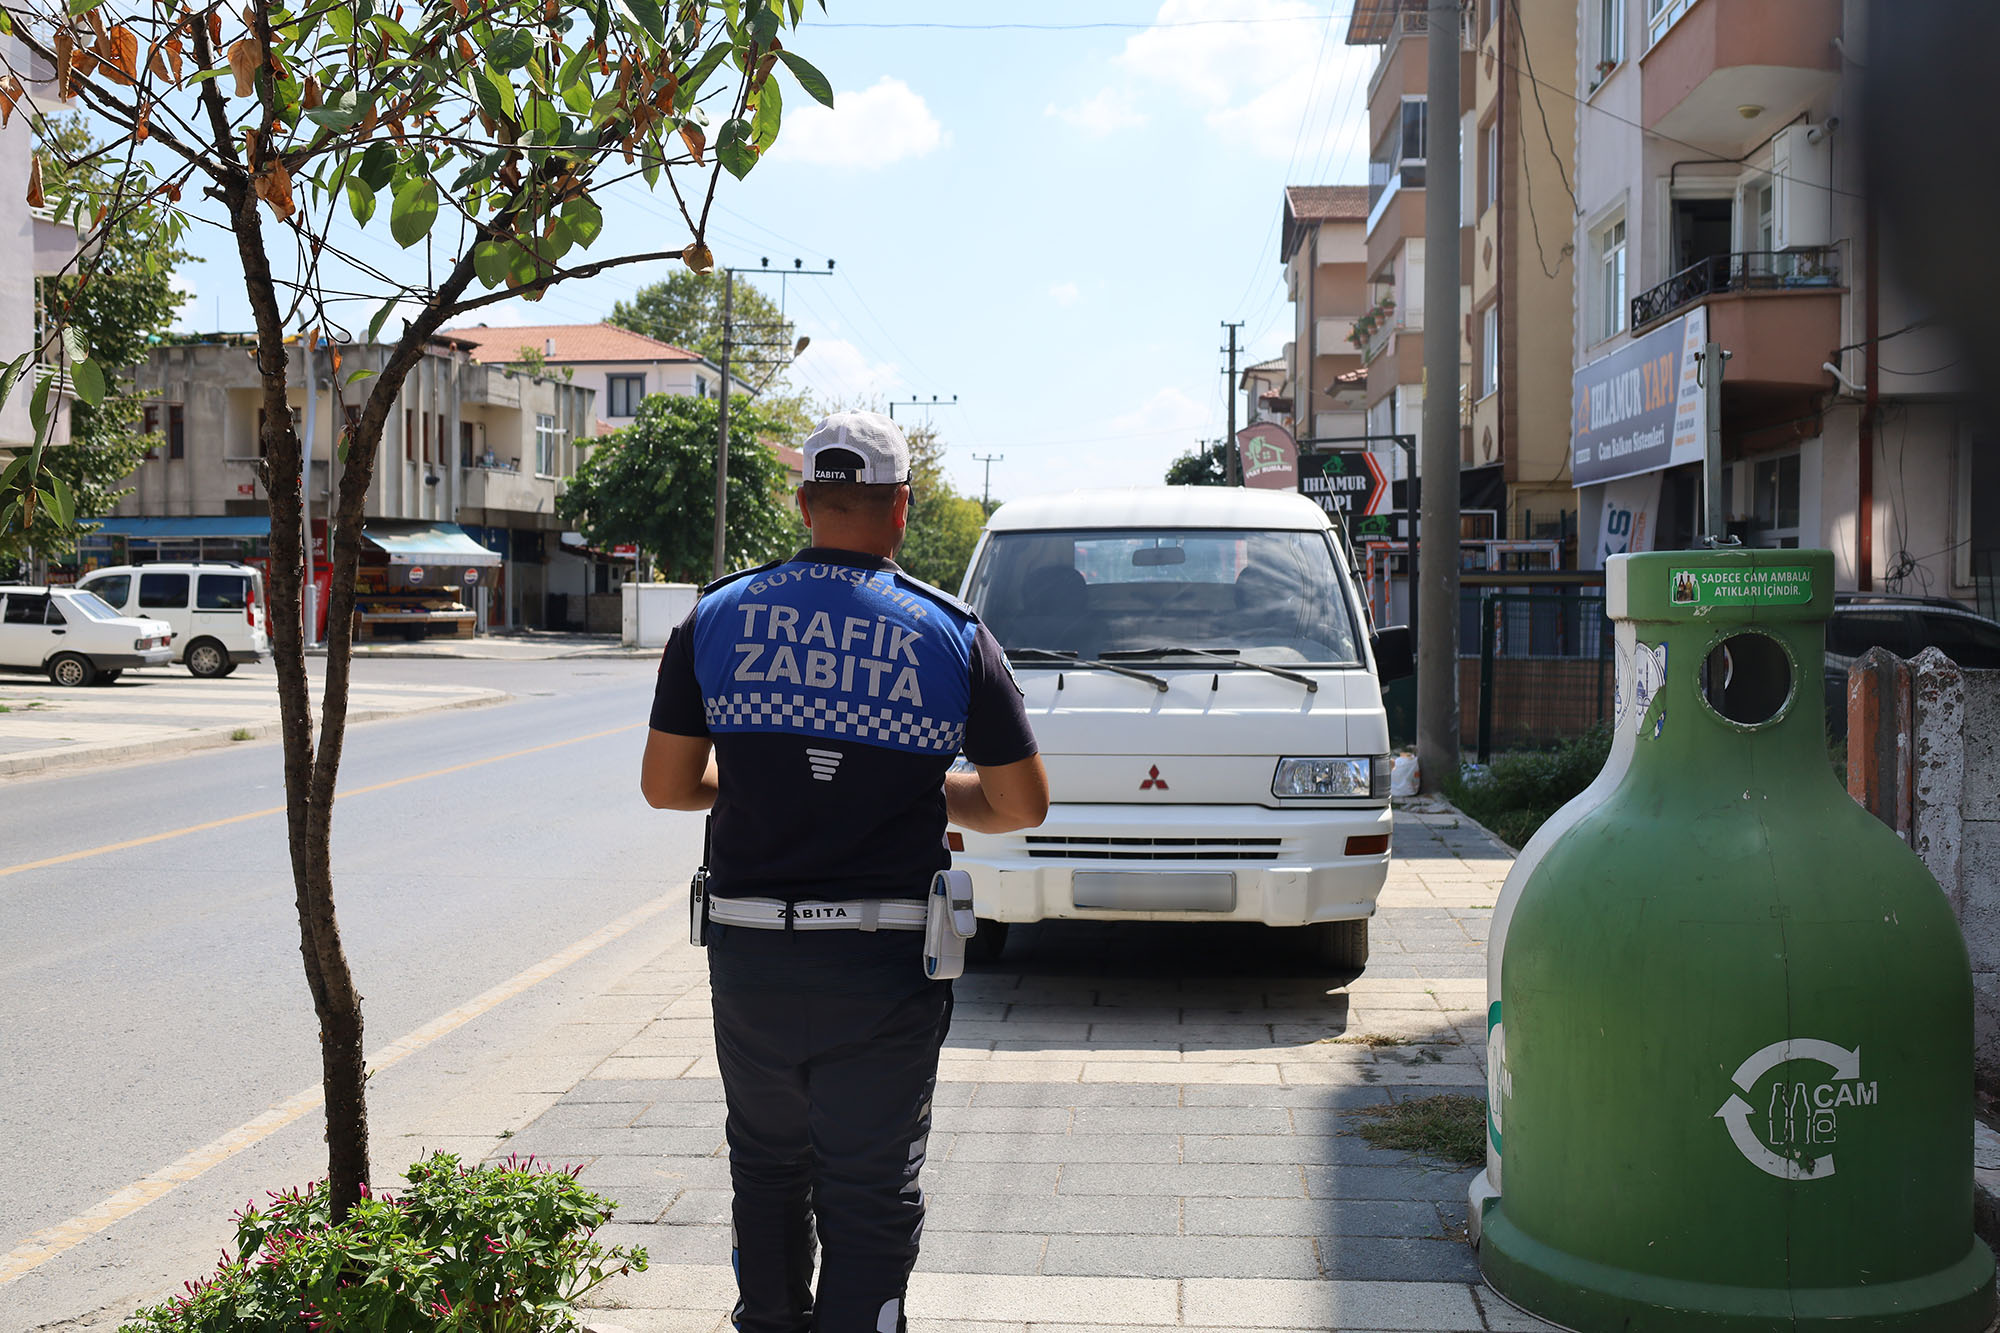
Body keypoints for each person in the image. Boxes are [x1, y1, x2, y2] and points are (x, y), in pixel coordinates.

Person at [640, 409, 1049, 1333]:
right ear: (900, 509)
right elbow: (1022, 804)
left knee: (768, 1166)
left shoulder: (716, 615)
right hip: (884, 962)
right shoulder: (950, 633)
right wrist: (918, 787)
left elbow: (668, 787)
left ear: (803, 505)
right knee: (870, 1183)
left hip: (750, 956)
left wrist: (750, 784)